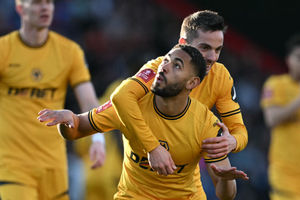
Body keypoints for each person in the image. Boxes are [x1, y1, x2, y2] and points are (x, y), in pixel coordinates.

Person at [38, 44, 249, 200]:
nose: (164, 67)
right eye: (165, 61)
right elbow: (76, 129)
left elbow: (226, 195)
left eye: (176, 66)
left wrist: (226, 179)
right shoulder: (130, 106)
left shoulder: (206, 123)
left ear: (192, 82)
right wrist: (67, 122)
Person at [110, 10, 248, 175]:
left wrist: (233, 141)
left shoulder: (220, 77)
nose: (213, 57)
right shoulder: (160, 69)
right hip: (141, 162)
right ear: (183, 43)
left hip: (182, 168)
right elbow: (120, 98)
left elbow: (239, 130)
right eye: (205, 48)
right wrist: (153, 147)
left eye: (218, 50)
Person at [0, 0, 105, 199]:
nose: (45, 7)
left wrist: (98, 139)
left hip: (53, 165)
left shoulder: (69, 52)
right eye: (37, 2)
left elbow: (89, 100)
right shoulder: (4, 49)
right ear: (20, 8)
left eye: (49, 2)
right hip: (13, 164)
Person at [261, 34, 300, 200]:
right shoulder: (277, 84)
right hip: (286, 177)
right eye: (299, 57)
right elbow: (271, 118)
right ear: (288, 59)